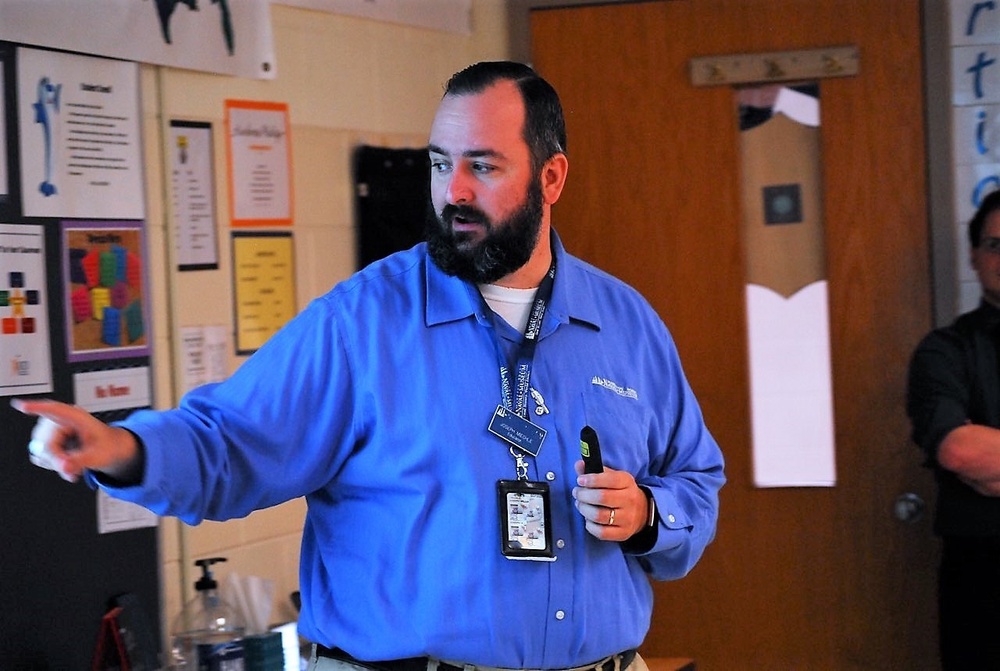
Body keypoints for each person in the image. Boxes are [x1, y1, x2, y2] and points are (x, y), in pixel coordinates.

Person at [13, 61, 725, 671]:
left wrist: (648, 513)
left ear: (553, 175)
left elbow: (697, 479)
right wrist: (125, 448)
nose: (454, 192)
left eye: (483, 164)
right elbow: (231, 442)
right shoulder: (361, 322)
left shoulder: (627, 323)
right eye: (441, 164)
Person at [907, 188, 1000, 670]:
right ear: (974, 255)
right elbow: (961, 452)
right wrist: (976, 453)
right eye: (995, 244)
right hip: (983, 580)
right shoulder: (945, 351)